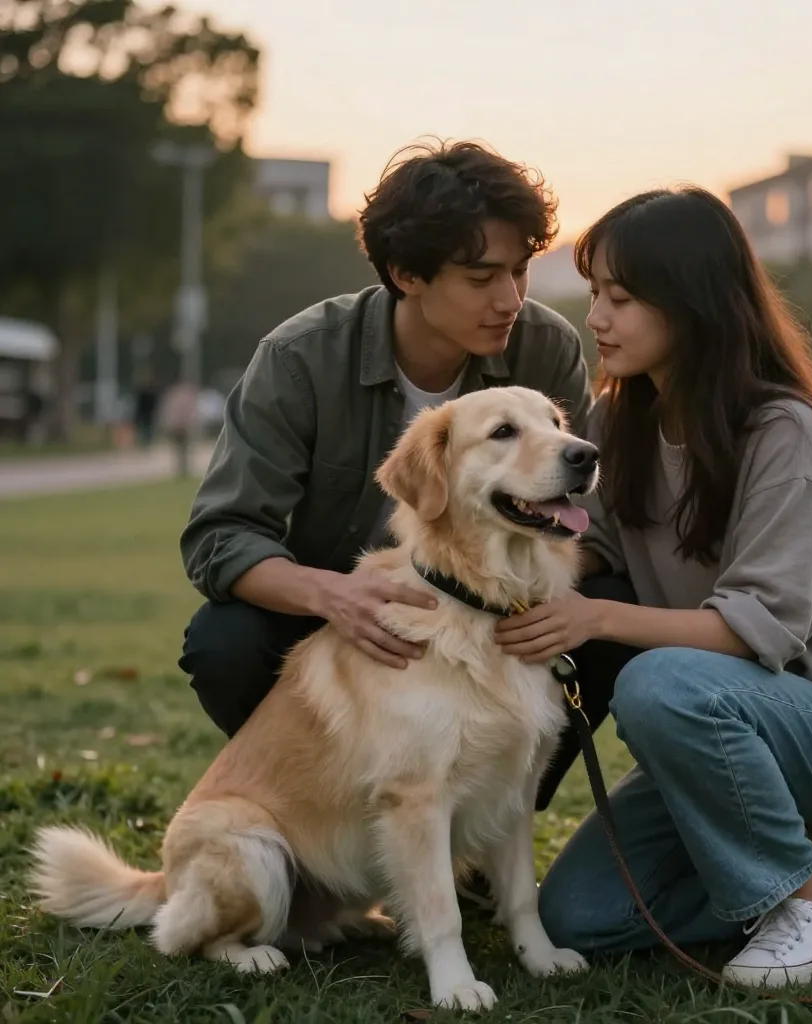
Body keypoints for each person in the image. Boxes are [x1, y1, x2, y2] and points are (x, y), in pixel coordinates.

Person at [493, 188, 812, 989]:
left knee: (656, 678)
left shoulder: (781, 428)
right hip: (714, 728)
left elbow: (752, 629)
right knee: (579, 920)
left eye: (620, 298)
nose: (597, 318)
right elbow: (594, 554)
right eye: (595, 295)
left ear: (692, 303)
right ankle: (785, 850)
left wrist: (593, 617)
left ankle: (809, 906)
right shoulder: (618, 418)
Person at [177, 139, 593, 744]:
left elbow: (581, 510)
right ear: (406, 275)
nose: (510, 300)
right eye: (482, 277)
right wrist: (334, 596)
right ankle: (306, 801)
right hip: (333, 621)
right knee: (225, 641)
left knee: (601, 620)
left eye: (520, 269)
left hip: (492, 614)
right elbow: (221, 536)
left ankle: (488, 817)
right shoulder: (300, 359)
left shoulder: (545, 346)